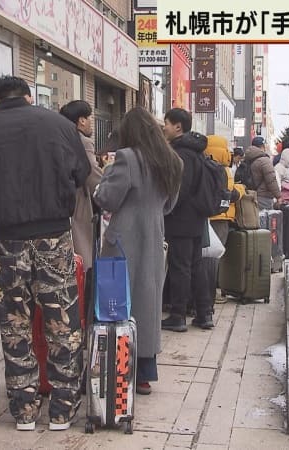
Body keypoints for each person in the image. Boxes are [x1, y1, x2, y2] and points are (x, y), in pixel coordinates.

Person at [0, 75, 90, 432]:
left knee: (15, 324)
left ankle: (25, 411)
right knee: (61, 319)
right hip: (54, 236)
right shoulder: (58, 125)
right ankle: (63, 411)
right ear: (30, 97)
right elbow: (82, 173)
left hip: (8, 240)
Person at [93, 107, 183, 396]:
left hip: (122, 241)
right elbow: (169, 207)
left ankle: (117, 369)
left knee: (116, 304)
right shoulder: (172, 160)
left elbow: (106, 198)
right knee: (148, 303)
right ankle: (144, 373)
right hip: (154, 238)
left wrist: (104, 178)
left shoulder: (128, 158)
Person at [160, 108, 211, 332]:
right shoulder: (197, 151)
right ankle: (204, 313)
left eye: (167, 123)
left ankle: (178, 315)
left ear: (178, 126)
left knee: (180, 266)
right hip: (197, 218)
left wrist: (166, 208)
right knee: (196, 266)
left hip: (181, 219)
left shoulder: (180, 153)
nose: (164, 127)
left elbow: (180, 189)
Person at [59, 100, 103, 277]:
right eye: (90, 117)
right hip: (79, 199)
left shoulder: (61, 136)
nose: (91, 121)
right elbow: (92, 173)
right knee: (82, 250)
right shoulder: (83, 141)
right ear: (82, 120)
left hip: (63, 199)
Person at [204, 135, 245, 304]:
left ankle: (207, 292)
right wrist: (241, 189)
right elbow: (231, 194)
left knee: (205, 255)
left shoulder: (204, 167)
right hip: (221, 217)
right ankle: (213, 291)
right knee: (216, 256)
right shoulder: (223, 170)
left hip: (206, 216)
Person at [244, 136, 281, 210]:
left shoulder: (247, 158)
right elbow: (271, 180)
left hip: (250, 194)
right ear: (262, 146)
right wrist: (278, 196)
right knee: (264, 219)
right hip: (264, 196)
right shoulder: (264, 160)